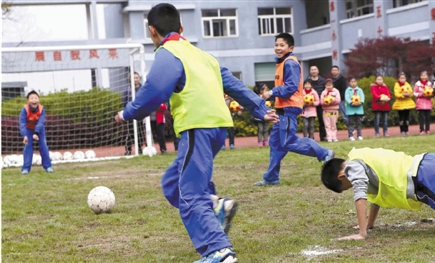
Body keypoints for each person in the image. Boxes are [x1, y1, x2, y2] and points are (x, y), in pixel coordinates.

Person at [114, 4, 278, 262]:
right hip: (217, 128)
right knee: (172, 183)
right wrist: (258, 106)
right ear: (181, 28)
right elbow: (232, 83)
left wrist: (128, 113)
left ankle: (219, 250)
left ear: (152, 31)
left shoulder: (167, 53)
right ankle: (216, 207)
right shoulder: (203, 56)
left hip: (196, 127)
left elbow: (155, 91)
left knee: (190, 192)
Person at [258, 33, 334, 186]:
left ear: (290, 48)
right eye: (276, 45)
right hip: (282, 109)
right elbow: (285, 88)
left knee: (288, 141)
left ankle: (325, 153)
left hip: (288, 108)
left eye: (282, 45)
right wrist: (270, 96)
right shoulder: (282, 63)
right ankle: (272, 177)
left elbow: (291, 87)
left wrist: (271, 93)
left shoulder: (290, 63)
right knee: (276, 143)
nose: (278, 48)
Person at [19, 90, 54, 174]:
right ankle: (26, 168)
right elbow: (22, 122)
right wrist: (25, 135)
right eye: (32, 98)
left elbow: (41, 122)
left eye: (36, 98)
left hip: (39, 130)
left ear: (39, 100)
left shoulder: (42, 109)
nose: (34, 100)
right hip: (28, 129)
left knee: (43, 146)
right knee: (28, 147)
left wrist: (36, 132)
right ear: (28, 101)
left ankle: (48, 166)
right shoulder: (24, 109)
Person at [123, 72, 145, 155]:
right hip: (131, 114)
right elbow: (124, 101)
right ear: (130, 79)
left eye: (137, 77)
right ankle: (128, 150)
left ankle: (139, 149)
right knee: (130, 132)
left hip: (140, 114)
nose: (136, 79)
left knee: (140, 132)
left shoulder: (143, 89)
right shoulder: (127, 90)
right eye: (134, 78)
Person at [305, 65, 327, 141]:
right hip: (309, 105)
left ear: (318, 71)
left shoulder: (323, 80)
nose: (314, 71)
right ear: (310, 71)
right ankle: (311, 137)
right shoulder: (307, 81)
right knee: (309, 122)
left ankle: (323, 136)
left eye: (315, 69)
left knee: (322, 120)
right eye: (312, 70)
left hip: (320, 103)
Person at [344, 77, 365, 141]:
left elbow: (362, 96)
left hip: (358, 109)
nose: (353, 83)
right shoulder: (347, 90)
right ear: (349, 83)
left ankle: (359, 135)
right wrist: (351, 102)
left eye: (354, 82)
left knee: (358, 123)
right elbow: (346, 97)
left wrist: (361, 102)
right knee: (351, 123)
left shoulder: (359, 90)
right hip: (351, 110)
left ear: (356, 82)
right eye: (351, 82)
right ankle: (351, 135)